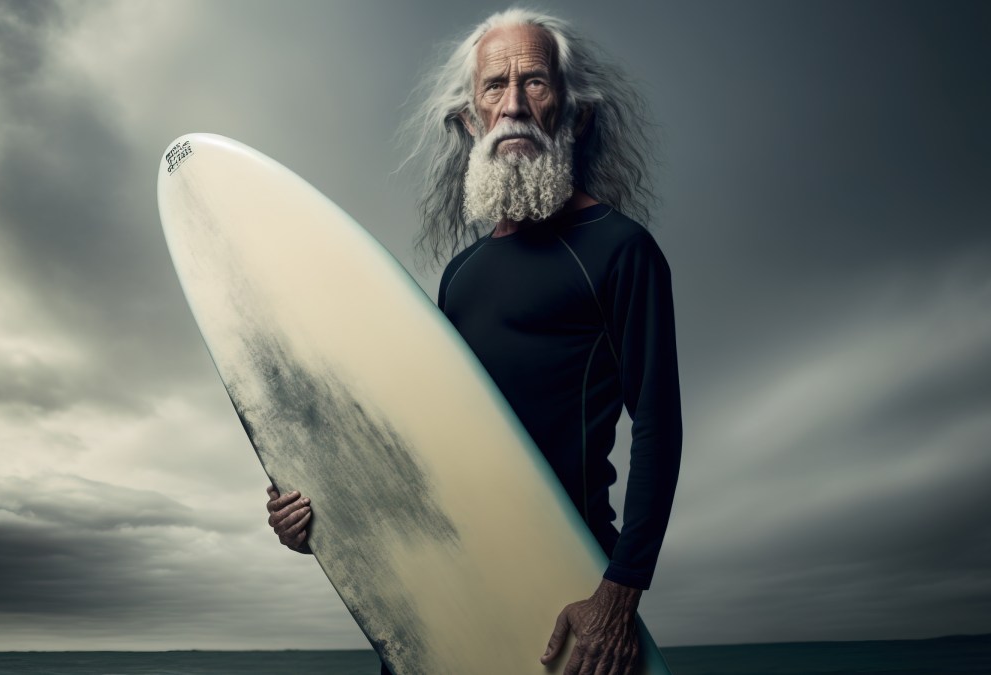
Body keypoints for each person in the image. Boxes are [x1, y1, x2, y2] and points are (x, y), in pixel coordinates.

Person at [265, 8, 681, 675]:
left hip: (565, 592)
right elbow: (430, 442)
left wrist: (617, 595)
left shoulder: (619, 251)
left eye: (535, 82)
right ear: (470, 120)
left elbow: (659, 425)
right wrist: (321, 518)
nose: (513, 103)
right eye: (494, 86)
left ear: (574, 116)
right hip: (443, 591)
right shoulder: (460, 274)